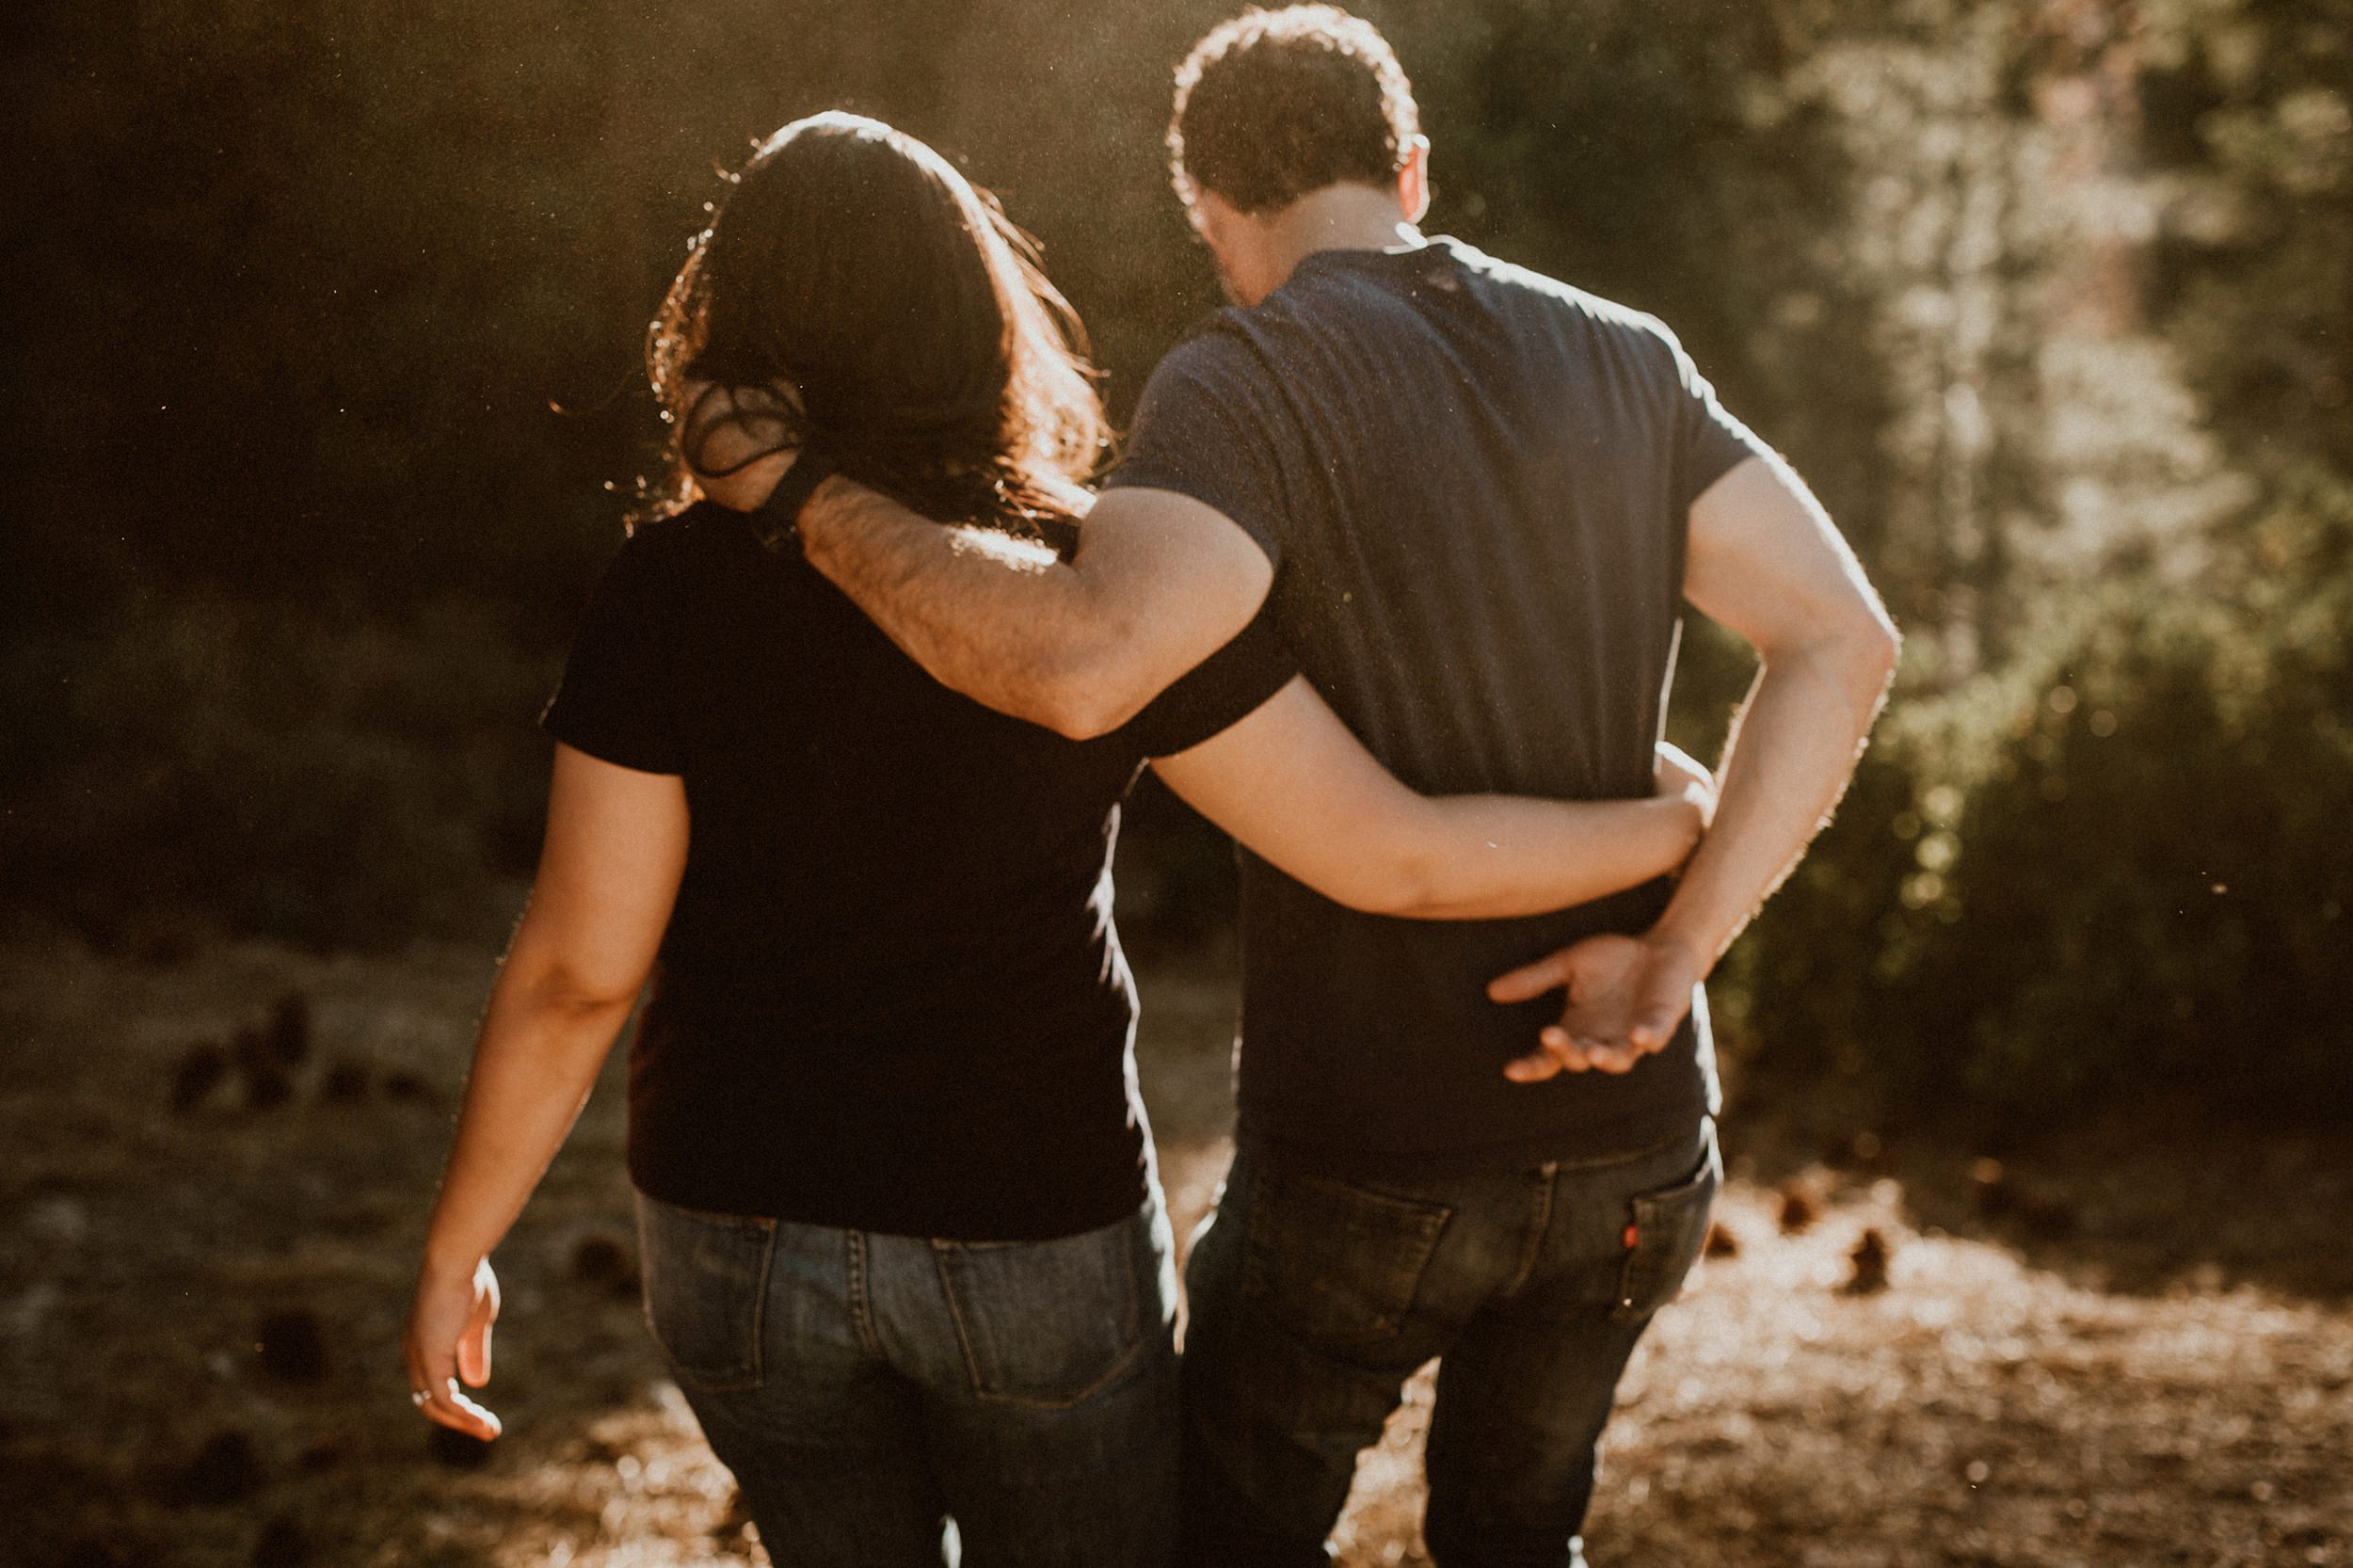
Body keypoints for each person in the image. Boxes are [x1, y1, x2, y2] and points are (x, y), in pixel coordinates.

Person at [399, 111, 1720, 1568]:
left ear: (734, 323)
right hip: (1030, 1216)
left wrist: (462, 1243)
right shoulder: (1099, 583)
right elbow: (1387, 852)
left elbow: (578, 971)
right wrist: (1670, 825)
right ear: (975, 316)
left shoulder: (667, 588)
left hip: (733, 1224)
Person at [779, 11, 1903, 1565]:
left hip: (1375, 1146)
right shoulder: (1628, 355)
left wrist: (805, 498)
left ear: (1211, 211)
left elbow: (1087, 663)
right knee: (1521, 1539)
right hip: (1640, 1131)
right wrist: (1675, 953)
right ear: (1412, 172)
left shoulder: (1244, 379)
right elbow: (1844, 638)